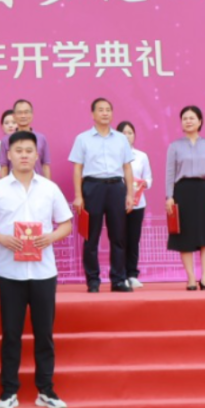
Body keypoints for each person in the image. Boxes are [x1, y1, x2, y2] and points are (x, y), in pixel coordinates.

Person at [0, 131, 74, 408]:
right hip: (10, 273)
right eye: (18, 150)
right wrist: (2, 239)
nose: (23, 155)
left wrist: (50, 237)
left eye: (29, 151)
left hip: (44, 272)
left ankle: (46, 389)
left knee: (44, 333)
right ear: (8, 154)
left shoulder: (50, 188)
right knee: (11, 333)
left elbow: (66, 224)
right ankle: (9, 390)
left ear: (37, 155)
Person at [68, 98, 135, 293]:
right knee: (91, 237)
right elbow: (77, 169)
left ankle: (118, 280)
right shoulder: (82, 139)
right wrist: (78, 195)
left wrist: (130, 194)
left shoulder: (121, 139)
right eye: (101, 110)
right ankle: (93, 280)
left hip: (116, 187)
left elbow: (127, 168)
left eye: (108, 110)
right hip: (92, 187)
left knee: (118, 237)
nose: (105, 113)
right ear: (93, 114)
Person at [166, 106, 205, 291]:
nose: (188, 121)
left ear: (200, 121)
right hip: (183, 192)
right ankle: (191, 278)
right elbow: (170, 173)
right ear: (181, 123)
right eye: (185, 118)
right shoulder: (174, 146)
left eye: (192, 118)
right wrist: (169, 196)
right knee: (185, 236)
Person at [118, 121, 153, 289]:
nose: (127, 136)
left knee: (133, 239)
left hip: (138, 204)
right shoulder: (112, 156)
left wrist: (144, 183)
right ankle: (120, 275)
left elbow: (149, 178)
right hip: (117, 203)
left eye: (130, 133)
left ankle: (132, 274)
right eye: (123, 133)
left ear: (135, 136)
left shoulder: (141, 156)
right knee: (119, 240)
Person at [0, 100, 52, 180]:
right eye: (19, 113)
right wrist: (3, 186)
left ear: (32, 115)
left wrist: (48, 185)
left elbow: (45, 165)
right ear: (14, 116)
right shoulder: (6, 140)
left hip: (37, 183)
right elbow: (4, 167)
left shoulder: (41, 138)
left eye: (26, 112)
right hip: (14, 184)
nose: (23, 116)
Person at [0, 110, 17, 183]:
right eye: (6, 123)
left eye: (14, 122)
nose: (10, 126)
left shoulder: (27, 143)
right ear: (2, 126)